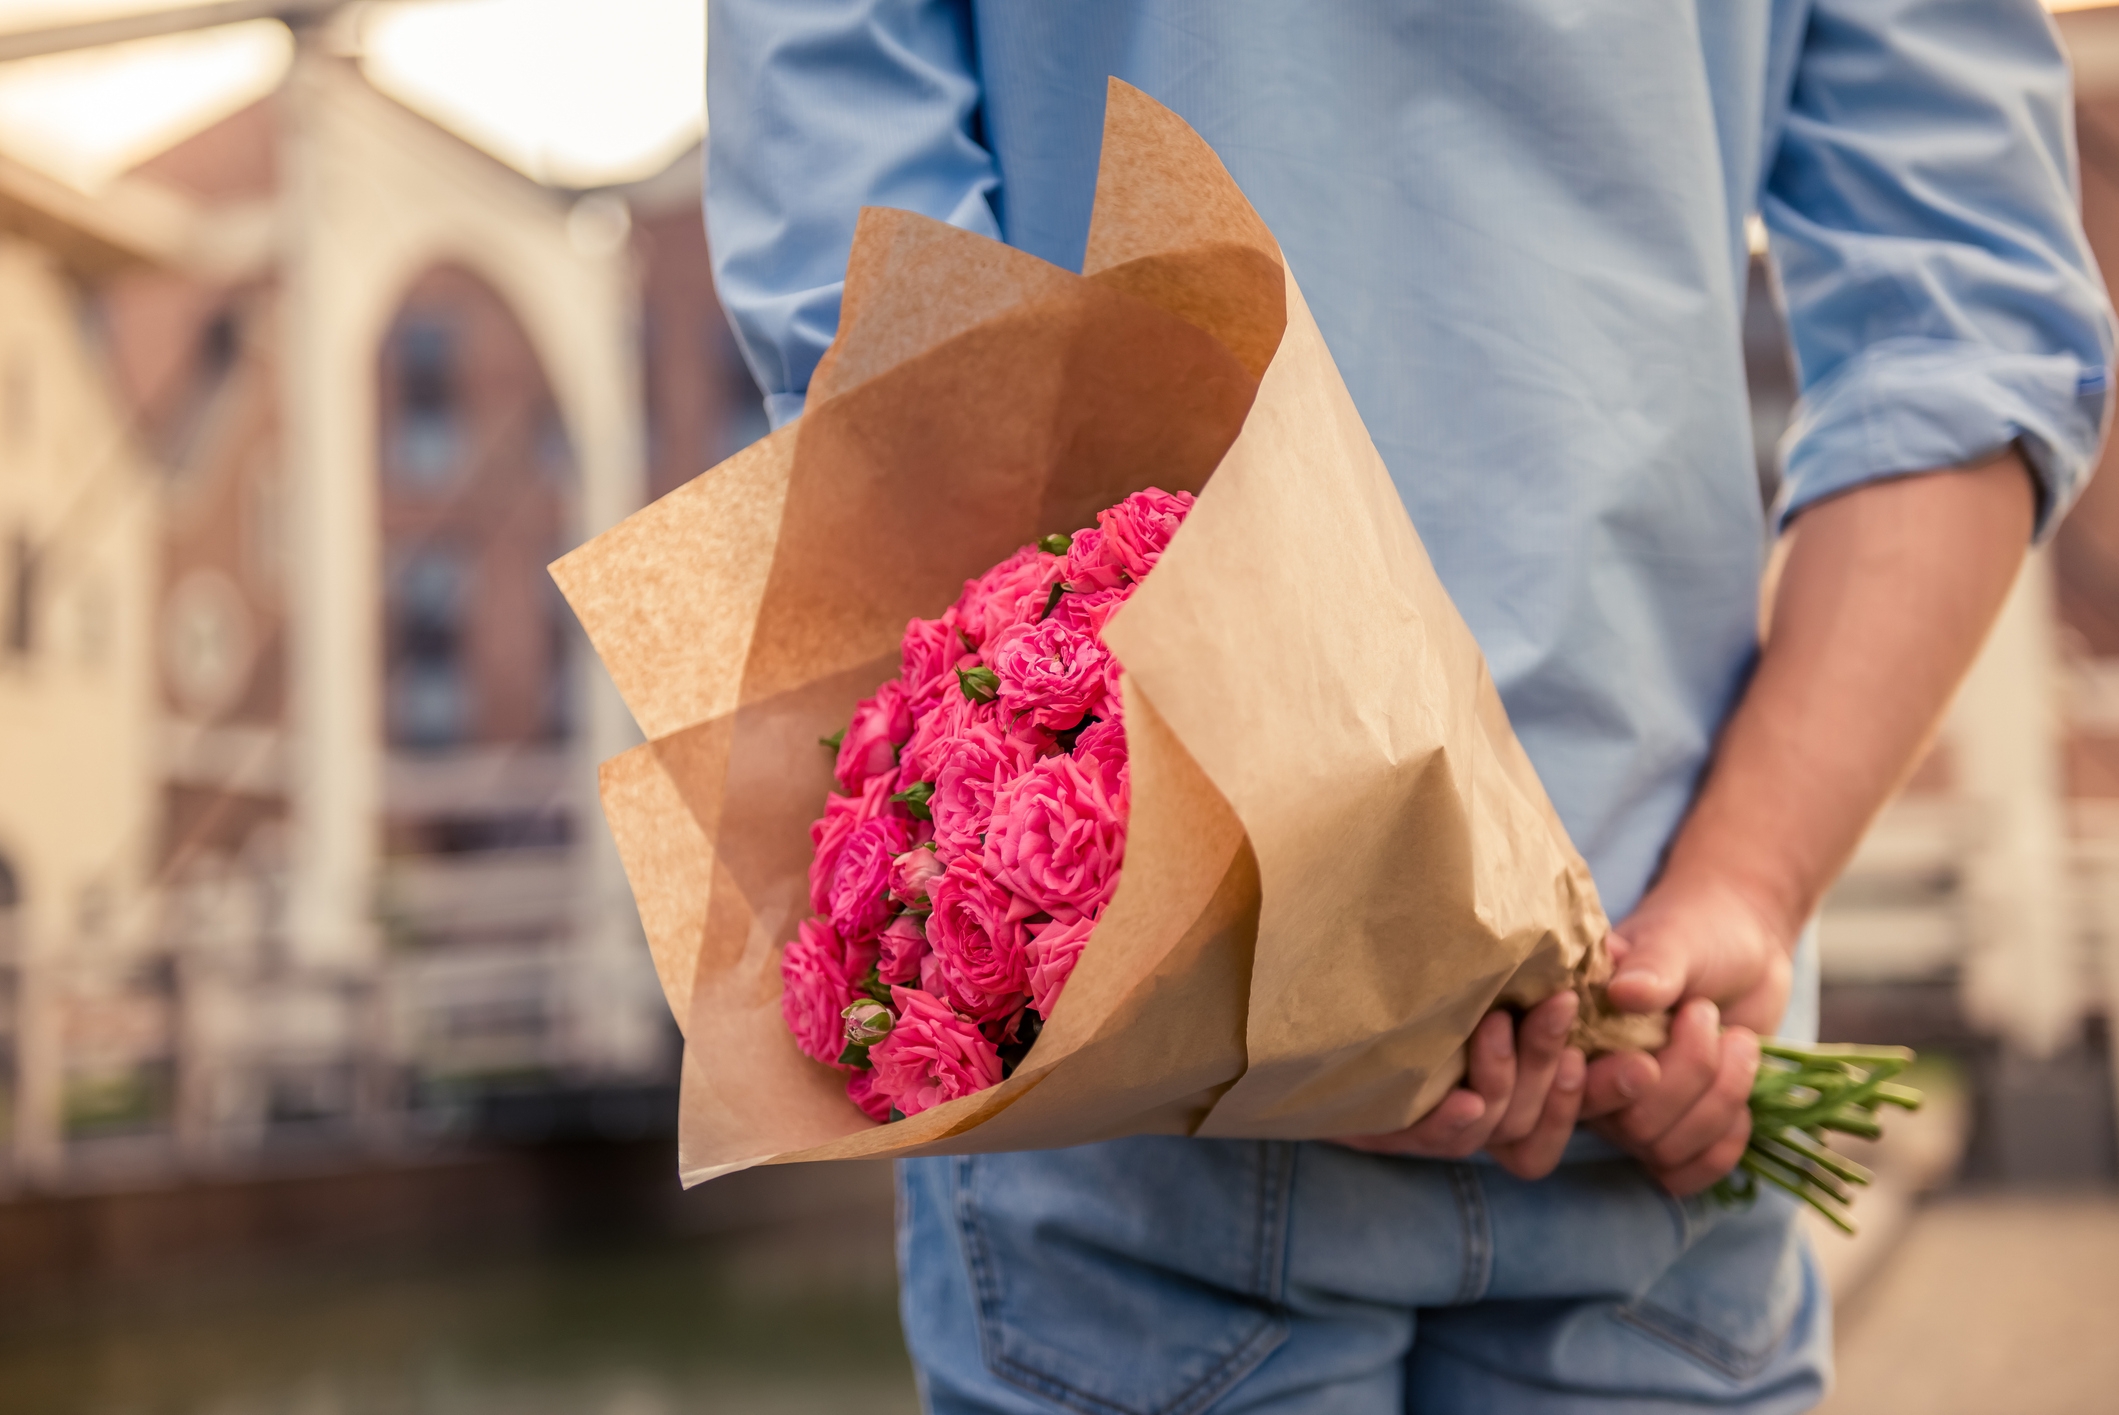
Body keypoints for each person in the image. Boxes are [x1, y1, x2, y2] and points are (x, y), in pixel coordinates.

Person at [704, 3, 2113, 1410]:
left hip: (1148, 1102)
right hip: (1654, 1008)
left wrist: (1289, 964)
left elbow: (872, 280)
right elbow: (1970, 325)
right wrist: (1750, 880)